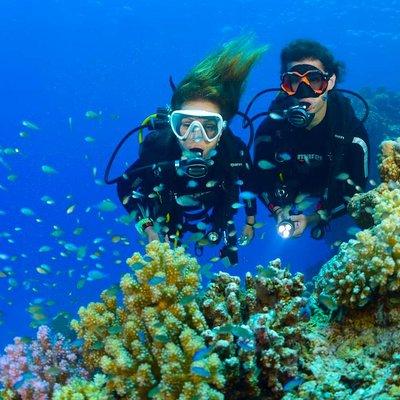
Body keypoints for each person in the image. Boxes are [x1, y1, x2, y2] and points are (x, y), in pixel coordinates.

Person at [117, 37, 266, 265]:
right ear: (174, 125)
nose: (197, 137)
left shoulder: (234, 152)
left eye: (209, 127)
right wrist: (148, 230)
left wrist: (249, 221)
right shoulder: (157, 149)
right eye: (186, 125)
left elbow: (249, 185)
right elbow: (124, 186)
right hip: (169, 215)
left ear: (221, 129)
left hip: (218, 210)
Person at [253, 39, 370, 239]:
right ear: (285, 86)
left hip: (328, 190)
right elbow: (260, 181)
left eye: (315, 80)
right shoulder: (270, 131)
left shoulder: (352, 134)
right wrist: (278, 212)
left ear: (330, 82)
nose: (303, 92)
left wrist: (312, 219)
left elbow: (357, 191)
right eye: (295, 81)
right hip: (291, 189)